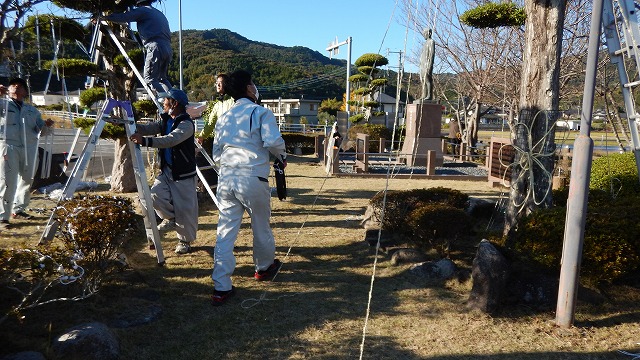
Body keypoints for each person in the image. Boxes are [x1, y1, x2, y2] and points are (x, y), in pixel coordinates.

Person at [210, 70, 287, 306]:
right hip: (253, 176)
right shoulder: (261, 112)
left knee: (225, 230)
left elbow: (216, 154)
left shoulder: (224, 117)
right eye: (253, 83)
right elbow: (273, 142)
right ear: (248, 88)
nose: (255, 87)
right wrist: (281, 155)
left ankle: (221, 286)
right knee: (261, 226)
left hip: (226, 177)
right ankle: (263, 268)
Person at [130, 88, 198, 254]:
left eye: (166, 101)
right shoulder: (166, 120)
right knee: (152, 196)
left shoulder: (186, 124)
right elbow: (148, 128)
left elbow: (171, 140)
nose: (163, 103)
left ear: (174, 103)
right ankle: (171, 218)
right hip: (167, 170)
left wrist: (145, 141)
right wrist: (128, 124)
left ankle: (185, 242)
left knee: (185, 209)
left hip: (183, 174)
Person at [0, 78, 54, 229]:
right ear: (8, 89)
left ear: (25, 91)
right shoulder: (3, 105)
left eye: (20, 86)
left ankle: (19, 209)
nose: (16, 88)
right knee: (7, 180)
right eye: (13, 86)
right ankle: (3, 217)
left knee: (27, 179)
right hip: (8, 146)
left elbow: (41, 132)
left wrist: (47, 126)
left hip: (30, 147)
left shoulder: (32, 110)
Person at [96, 0, 173, 96]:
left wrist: (104, 17)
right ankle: (176, 100)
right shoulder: (158, 13)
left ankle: (165, 101)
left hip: (155, 46)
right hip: (167, 48)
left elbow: (124, 17)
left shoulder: (143, 10)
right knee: (162, 78)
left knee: (149, 78)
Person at [197, 73, 234, 145]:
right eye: (217, 83)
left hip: (234, 141)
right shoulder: (217, 105)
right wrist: (202, 136)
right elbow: (210, 123)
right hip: (220, 141)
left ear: (226, 84)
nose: (218, 85)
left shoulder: (234, 100)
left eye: (220, 83)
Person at [419, 28, 435, 102]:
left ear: (429, 33)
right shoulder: (425, 43)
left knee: (427, 79)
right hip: (422, 64)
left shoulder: (431, 42)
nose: (423, 35)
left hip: (427, 64)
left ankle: (429, 95)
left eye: (424, 34)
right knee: (422, 80)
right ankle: (423, 94)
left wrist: (430, 65)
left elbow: (431, 54)